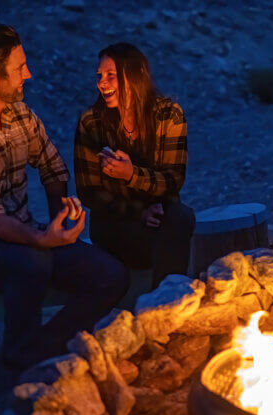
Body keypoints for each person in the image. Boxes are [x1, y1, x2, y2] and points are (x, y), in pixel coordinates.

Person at [0, 22, 128, 370]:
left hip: (25, 235)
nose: (29, 74)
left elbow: (52, 166)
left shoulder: (20, 115)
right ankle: (21, 355)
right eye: (19, 68)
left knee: (111, 275)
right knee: (32, 261)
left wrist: (59, 219)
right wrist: (41, 239)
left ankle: (44, 348)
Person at [74, 43, 195, 290]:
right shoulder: (92, 122)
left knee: (181, 217)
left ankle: (167, 303)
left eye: (111, 76)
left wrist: (131, 175)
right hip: (115, 221)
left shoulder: (168, 115)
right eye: (99, 76)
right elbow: (89, 192)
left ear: (135, 75)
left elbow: (173, 180)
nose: (102, 83)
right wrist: (138, 211)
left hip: (160, 217)